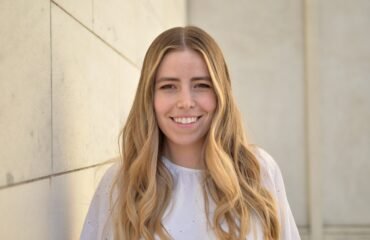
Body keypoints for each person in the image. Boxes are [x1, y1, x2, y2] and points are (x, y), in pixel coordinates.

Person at [80, 26, 301, 240]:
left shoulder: (258, 171)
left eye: (201, 85)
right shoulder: (121, 182)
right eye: (169, 86)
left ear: (220, 95)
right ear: (150, 97)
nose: (185, 102)